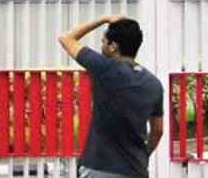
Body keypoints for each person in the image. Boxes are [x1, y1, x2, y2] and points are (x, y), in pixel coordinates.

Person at [58, 15, 164, 178]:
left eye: (104, 41)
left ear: (113, 46)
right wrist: (143, 156)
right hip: (135, 170)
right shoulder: (154, 84)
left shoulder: (104, 68)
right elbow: (158, 130)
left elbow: (66, 39)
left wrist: (104, 19)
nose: (102, 44)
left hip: (99, 168)